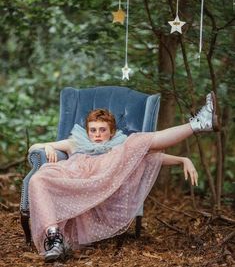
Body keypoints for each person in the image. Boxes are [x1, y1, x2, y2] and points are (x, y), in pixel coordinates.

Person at [28, 91, 218, 262]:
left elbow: (151, 157)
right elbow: (33, 147)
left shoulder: (119, 146)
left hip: (104, 181)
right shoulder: (74, 143)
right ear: (87, 131)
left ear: (111, 132)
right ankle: (54, 238)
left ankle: (198, 124)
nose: (97, 135)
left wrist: (182, 159)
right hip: (75, 180)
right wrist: (47, 146)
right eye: (93, 130)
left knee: (137, 142)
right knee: (38, 179)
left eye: (102, 130)